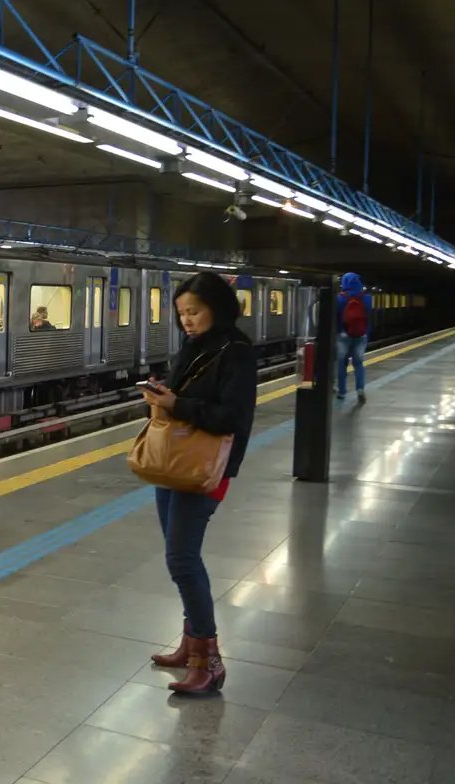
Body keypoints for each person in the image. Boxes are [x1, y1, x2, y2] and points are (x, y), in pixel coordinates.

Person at [139, 272, 257, 694]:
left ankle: (209, 663)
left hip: (205, 469)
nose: (187, 320)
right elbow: (185, 399)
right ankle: (191, 646)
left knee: (182, 559)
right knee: (181, 557)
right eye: (181, 313)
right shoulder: (192, 348)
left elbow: (232, 418)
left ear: (217, 308)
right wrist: (163, 396)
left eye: (194, 311)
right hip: (173, 464)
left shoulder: (236, 352)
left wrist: (178, 404)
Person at [335, 272, 372, 403]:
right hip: (361, 335)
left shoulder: (339, 298)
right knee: (359, 364)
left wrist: (338, 332)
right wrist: (366, 333)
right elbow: (368, 318)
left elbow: (336, 318)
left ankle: (342, 392)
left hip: (343, 335)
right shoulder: (367, 298)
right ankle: (360, 389)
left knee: (341, 364)